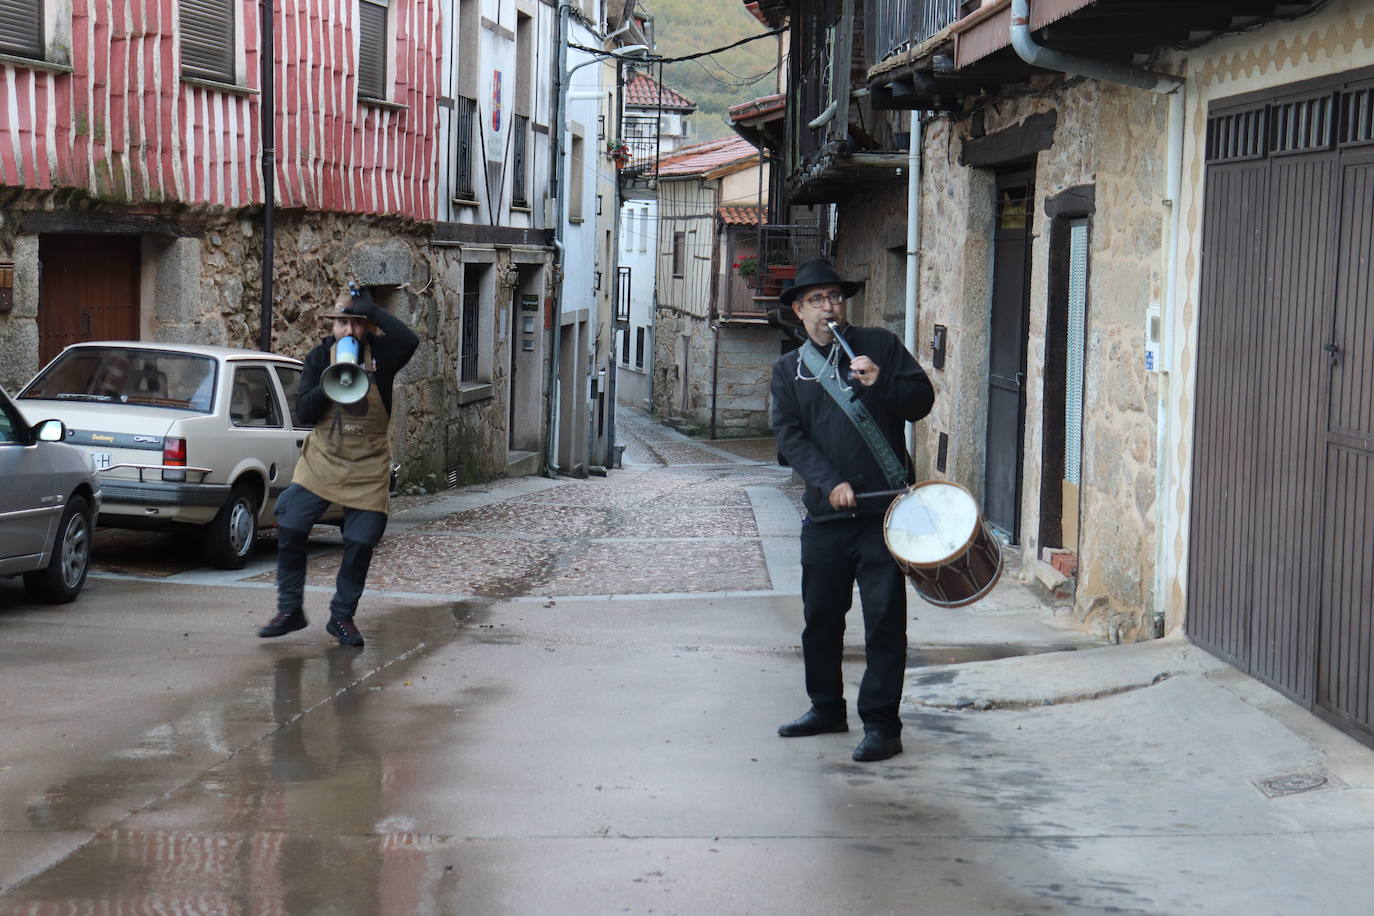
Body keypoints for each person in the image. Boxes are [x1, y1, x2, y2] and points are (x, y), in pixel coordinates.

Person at [769, 258, 935, 762]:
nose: (829, 307)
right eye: (816, 300)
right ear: (799, 311)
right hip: (826, 515)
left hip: (883, 515)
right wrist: (829, 482)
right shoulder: (788, 370)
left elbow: (921, 401)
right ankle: (826, 707)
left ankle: (882, 724)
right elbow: (789, 438)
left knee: (885, 621)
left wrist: (881, 382)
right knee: (821, 619)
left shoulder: (879, 346)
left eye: (835, 297)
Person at [258, 284, 419, 647]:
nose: (348, 330)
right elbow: (305, 412)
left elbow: (410, 341)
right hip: (323, 462)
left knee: (361, 541)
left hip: (368, 466)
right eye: (342, 323)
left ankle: (342, 616)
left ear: (367, 328)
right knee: (292, 521)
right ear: (332, 326)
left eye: (356, 323)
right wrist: (333, 383)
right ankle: (290, 609)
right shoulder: (318, 358)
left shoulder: (383, 356)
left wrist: (374, 312)